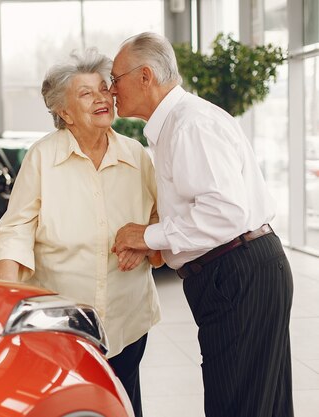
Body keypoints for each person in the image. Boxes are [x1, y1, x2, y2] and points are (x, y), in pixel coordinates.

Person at [110, 32, 294, 417]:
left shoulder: (188, 125)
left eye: (115, 78)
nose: (111, 91)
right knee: (260, 403)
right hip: (240, 267)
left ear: (145, 76)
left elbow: (222, 213)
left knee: (237, 404)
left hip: (236, 271)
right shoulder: (178, 123)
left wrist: (146, 236)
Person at [0, 48, 162, 417]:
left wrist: (146, 242)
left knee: (124, 403)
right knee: (70, 406)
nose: (101, 97)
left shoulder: (137, 156)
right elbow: (16, 229)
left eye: (104, 88)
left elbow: (163, 217)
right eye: (86, 93)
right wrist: (5, 300)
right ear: (64, 112)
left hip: (125, 318)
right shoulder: (41, 159)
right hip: (61, 323)